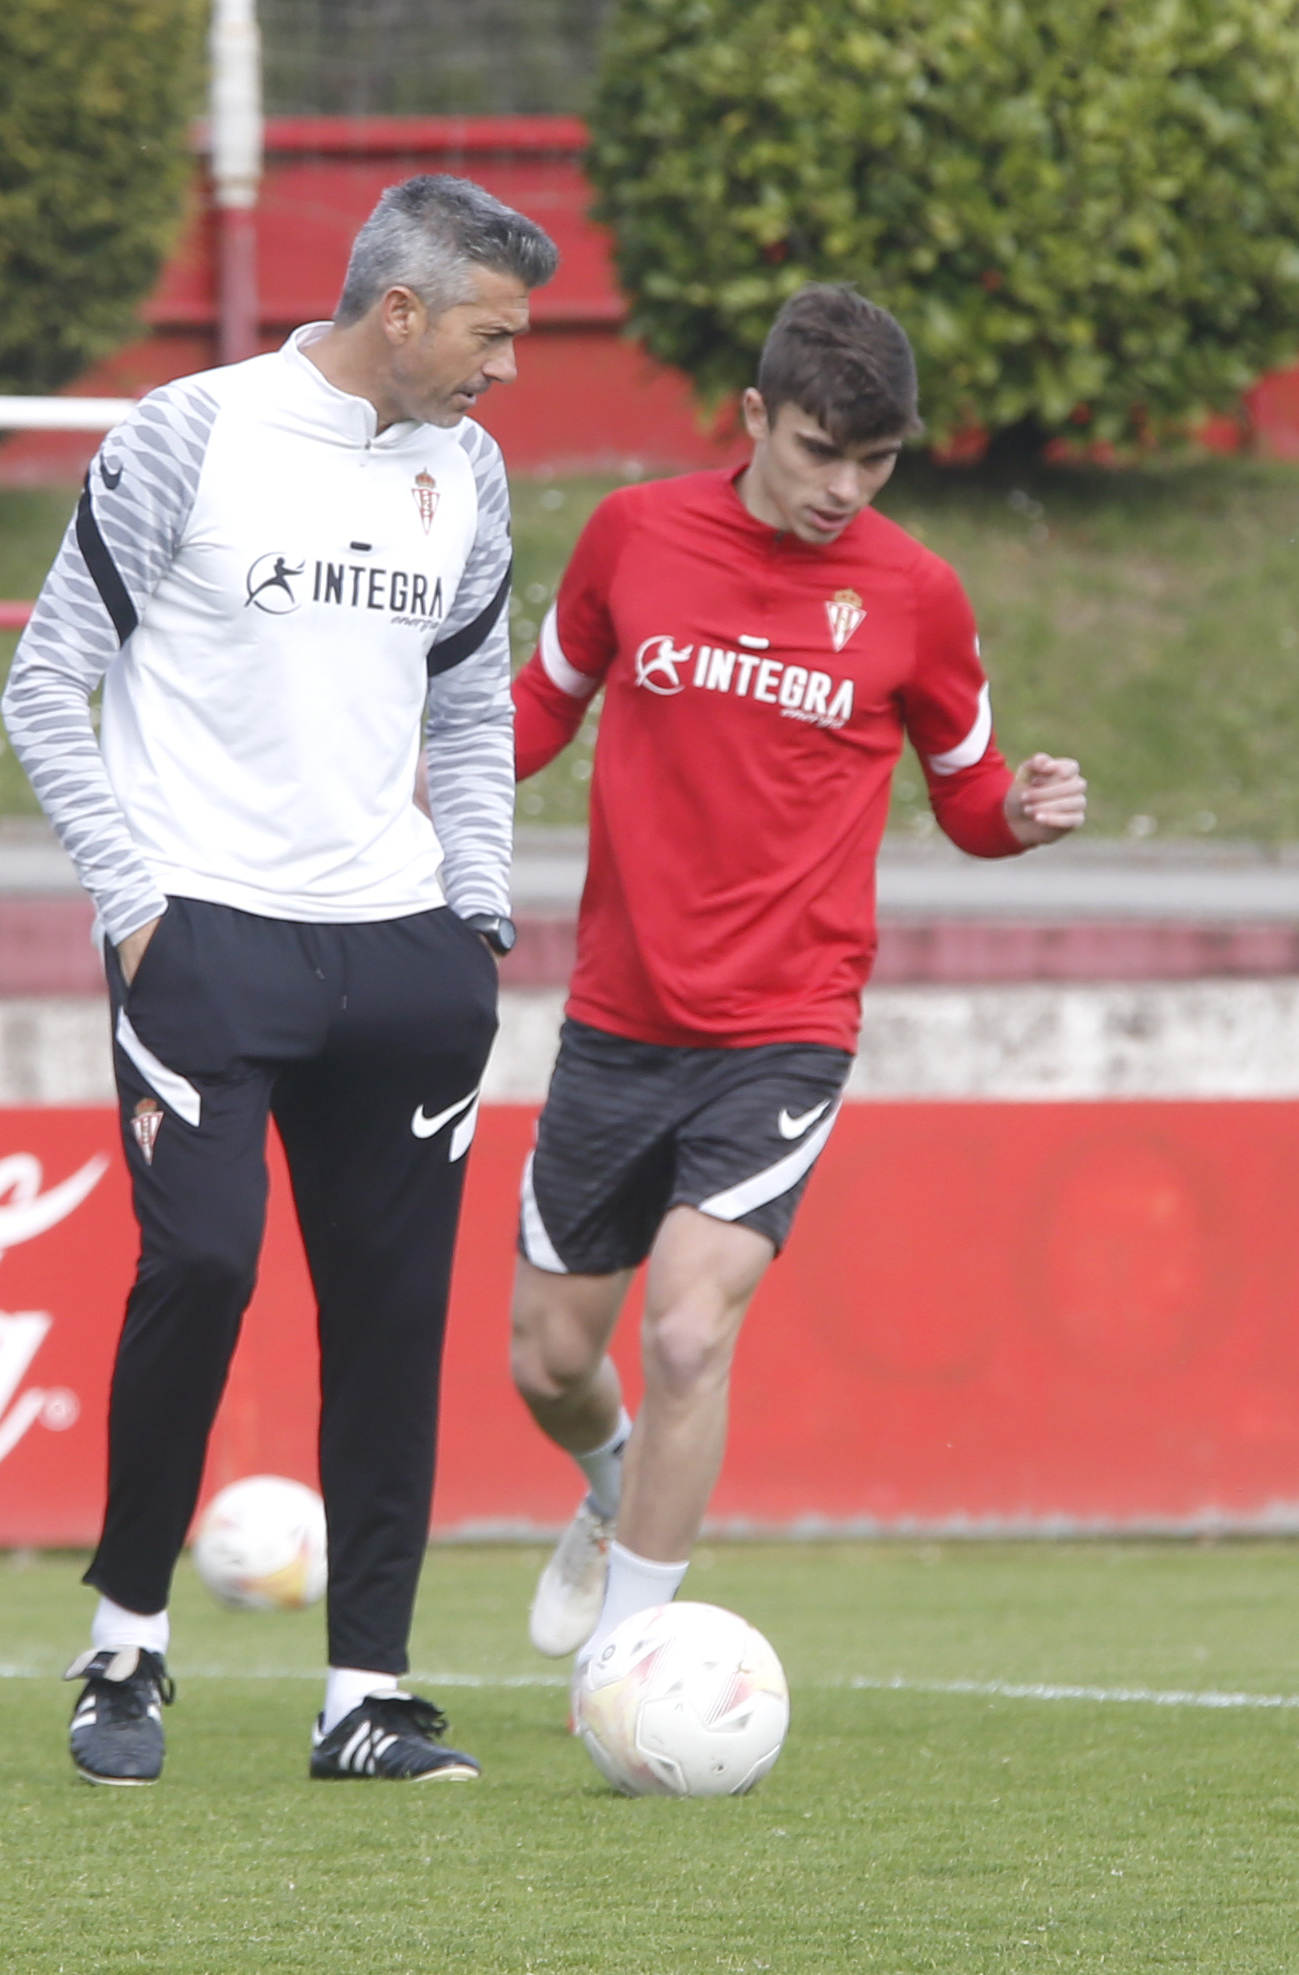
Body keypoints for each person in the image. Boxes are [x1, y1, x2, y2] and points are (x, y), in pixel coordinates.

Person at [2, 174, 556, 1786]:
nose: (507, 367)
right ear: (400, 309)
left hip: (403, 956)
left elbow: (467, 713)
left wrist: (475, 912)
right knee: (207, 1270)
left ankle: (363, 1699)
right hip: (204, 934)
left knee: (390, 1324)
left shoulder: (472, 469)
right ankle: (127, 1648)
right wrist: (133, 903)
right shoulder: (189, 432)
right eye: (490, 332)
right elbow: (49, 685)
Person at [505, 284, 1087, 1670]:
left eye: (875, 462)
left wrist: (1025, 812)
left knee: (690, 1329)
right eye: (820, 450)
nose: (845, 488)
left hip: (785, 1026)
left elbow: (966, 795)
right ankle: (610, 1492)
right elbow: (538, 710)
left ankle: (635, 1660)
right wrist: (407, 784)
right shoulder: (630, 536)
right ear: (756, 417)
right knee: (549, 1361)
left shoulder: (916, 596)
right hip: (616, 1015)